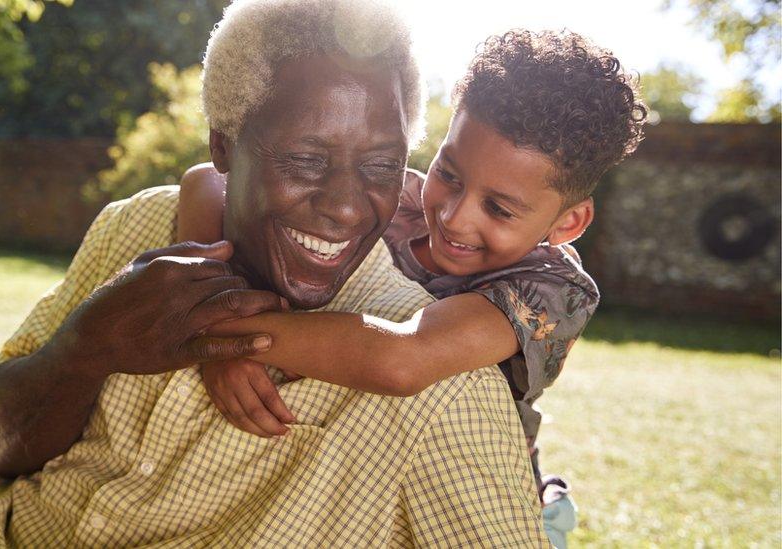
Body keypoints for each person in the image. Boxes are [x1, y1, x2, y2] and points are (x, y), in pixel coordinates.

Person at [0, 1, 550, 547]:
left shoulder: (440, 391)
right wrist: (86, 345)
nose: (346, 207)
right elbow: (4, 447)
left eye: (383, 167)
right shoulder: (140, 226)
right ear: (226, 148)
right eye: (304, 161)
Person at [176, 28, 647, 539]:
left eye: (499, 208)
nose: (454, 215)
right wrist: (217, 307)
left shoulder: (550, 291)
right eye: (450, 173)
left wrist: (224, 334)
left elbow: (402, 359)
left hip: (478, 503)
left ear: (569, 223)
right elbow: (204, 181)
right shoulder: (396, 200)